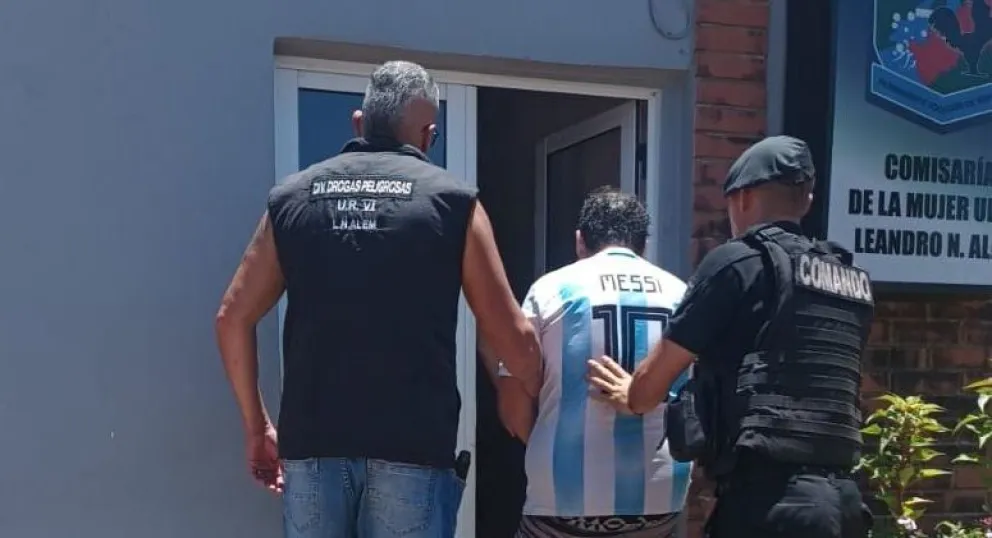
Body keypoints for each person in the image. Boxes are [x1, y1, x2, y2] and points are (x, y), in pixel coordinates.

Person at [215, 60, 542, 538]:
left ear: (358, 123)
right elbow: (512, 339)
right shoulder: (452, 202)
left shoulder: (291, 200)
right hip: (412, 449)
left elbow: (231, 318)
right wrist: (540, 393)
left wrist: (257, 425)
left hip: (313, 448)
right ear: (428, 135)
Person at [587, 136, 875, 538]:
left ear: (742, 197)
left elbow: (652, 384)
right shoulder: (851, 281)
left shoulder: (737, 262)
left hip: (770, 505)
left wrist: (631, 395)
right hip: (845, 503)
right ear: (806, 200)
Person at [483, 187, 693, 538]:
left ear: (580, 241)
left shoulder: (551, 289)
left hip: (565, 499)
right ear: (643, 245)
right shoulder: (680, 293)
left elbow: (513, 405)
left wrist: (549, 446)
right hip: (660, 497)